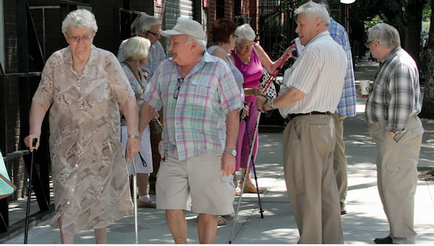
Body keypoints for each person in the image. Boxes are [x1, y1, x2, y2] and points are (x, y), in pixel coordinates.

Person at [23, 9, 140, 244]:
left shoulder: (107, 61)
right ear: (66, 37)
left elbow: (127, 99)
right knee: (67, 197)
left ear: (93, 35)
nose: (80, 42)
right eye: (75, 37)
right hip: (65, 147)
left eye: (86, 36)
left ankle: (101, 243)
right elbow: (41, 99)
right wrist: (34, 131)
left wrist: (134, 135)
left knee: (100, 199)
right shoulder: (56, 62)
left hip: (101, 148)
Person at [138, 17, 243, 243]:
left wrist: (230, 151)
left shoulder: (218, 69)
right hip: (173, 153)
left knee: (208, 209)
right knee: (171, 206)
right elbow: (148, 105)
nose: (170, 47)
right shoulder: (166, 69)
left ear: (193, 45)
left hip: (208, 152)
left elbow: (233, 111)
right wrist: (135, 135)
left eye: (175, 42)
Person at [256, 1, 345, 243]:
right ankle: (331, 240)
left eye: (300, 24)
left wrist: (269, 105)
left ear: (318, 23)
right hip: (324, 125)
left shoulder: (316, 50)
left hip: (306, 126)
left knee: (305, 191)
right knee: (325, 191)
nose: (297, 30)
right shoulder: (336, 48)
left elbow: (297, 92)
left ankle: (310, 241)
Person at [362, 23, 424, 244]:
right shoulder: (394, 61)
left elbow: (403, 102)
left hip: (398, 134)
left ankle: (403, 238)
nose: (369, 47)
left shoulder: (399, 64)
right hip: (396, 134)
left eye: (369, 43)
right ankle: (397, 234)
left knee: (398, 188)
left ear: (377, 44)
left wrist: (392, 133)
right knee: (392, 187)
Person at [230, 23, 290, 194]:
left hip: (255, 102)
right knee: (237, 139)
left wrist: (285, 56)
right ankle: (232, 181)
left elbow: (271, 68)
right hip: (238, 102)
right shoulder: (231, 56)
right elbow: (228, 85)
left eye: (251, 44)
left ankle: (246, 180)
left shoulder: (256, 48)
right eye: (244, 46)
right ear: (236, 43)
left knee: (252, 141)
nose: (248, 49)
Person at [312, 0, 357, 215]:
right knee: (333, 150)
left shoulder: (333, 32)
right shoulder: (336, 30)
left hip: (330, 102)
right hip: (331, 101)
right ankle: (334, 197)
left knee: (333, 151)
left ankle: (337, 198)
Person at [117, 13, 166, 194]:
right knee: (131, 156)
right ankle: (128, 193)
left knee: (150, 151)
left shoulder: (157, 47)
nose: (158, 37)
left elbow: (161, 69)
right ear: (144, 33)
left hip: (149, 110)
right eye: (156, 33)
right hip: (129, 120)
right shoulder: (127, 49)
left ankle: (146, 192)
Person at [207, 19, 246, 198]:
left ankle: (224, 199)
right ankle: (217, 202)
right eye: (235, 37)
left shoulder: (225, 54)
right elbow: (222, 84)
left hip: (231, 111)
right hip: (221, 115)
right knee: (221, 155)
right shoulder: (217, 53)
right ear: (230, 37)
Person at [119, 36, 156, 208]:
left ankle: (143, 196)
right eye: (147, 50)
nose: (149, 54)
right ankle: (125, 198)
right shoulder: (121, 71)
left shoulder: (140, 71)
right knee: (127, 161)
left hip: (142, 124)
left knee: (144, 159)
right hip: (125, 125)